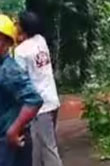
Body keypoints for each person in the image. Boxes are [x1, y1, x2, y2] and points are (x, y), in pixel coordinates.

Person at [14, 12, 63, 166]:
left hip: (39, 106)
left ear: (23, 27)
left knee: (48, 148)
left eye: (17, 23)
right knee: (37, 148)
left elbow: (19, 80)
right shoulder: (41, 41)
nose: (15, 26)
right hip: (51, 100)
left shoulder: (21, 52)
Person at [0, 14, 43, 166]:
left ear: (6, 43)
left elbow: (34, 99)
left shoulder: (8, 70)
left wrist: (13, 130)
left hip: (8, 144)